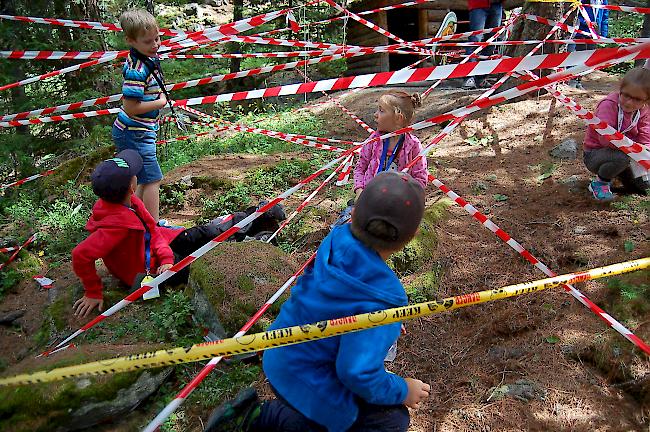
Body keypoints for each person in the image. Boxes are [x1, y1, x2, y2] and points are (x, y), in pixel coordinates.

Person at [204, 172, 431, 432]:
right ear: (411, 238)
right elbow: (357, 373)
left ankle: (255, 417)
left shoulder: (337, 239)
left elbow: (336, 302)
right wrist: (403, 390)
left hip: (280, 353)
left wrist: (384, 324)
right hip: (306, 376)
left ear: (354, 213)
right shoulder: (383, 299)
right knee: (389, 421)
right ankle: (260, 421)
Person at [71, 150, 286, 317]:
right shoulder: (112, 228)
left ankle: (256, 215)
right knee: (206, 263)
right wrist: (92, 291)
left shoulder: (132, 201)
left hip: (163, 247)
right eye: (134, 174)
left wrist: (165, 256)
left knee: (204, 232)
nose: (137, 174)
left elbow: (152, 229)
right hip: (151, 272)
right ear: (130, 186)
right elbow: (81, 255)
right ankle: (253, 247)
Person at [112, 9, 168, 222]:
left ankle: (143, 222)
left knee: (143, 179)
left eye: (157, 38)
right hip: (133, 132)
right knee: (153, 179)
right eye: (148, 42)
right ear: (130, 41)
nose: (155, 45)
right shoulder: (137, 68)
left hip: (140, 130)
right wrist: (160, 102)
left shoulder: (147, 57)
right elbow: (130, 107)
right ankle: (154, 228)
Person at [583, 67, 650, 200]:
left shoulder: (643, 111)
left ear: (646, 101)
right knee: (622, 157)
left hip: (625, 150)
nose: (629, 102)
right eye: (626, 95)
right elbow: (605, 138)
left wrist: (644, 150)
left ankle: (633, 175)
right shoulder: (608, 106)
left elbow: (645, 133)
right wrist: (631, 149)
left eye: (637, 99)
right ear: (620, 90)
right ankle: (600, 183)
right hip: (595, 154)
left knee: (642, 185)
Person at [567, 0, 609, 90]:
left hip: (594, 34)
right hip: (580, 32)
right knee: (577, 57)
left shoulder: (604, 1)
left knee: (588, 58)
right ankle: (572, 80)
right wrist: (586, 22)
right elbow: (576, 13)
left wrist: (603, 35)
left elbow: (605, 17)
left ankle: (579, 81)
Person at [462, 0, 503, 89]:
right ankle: (469, 77)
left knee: (492, 41)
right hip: (478, 4)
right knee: (475, 40)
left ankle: (480, 78)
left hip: (496, 5)